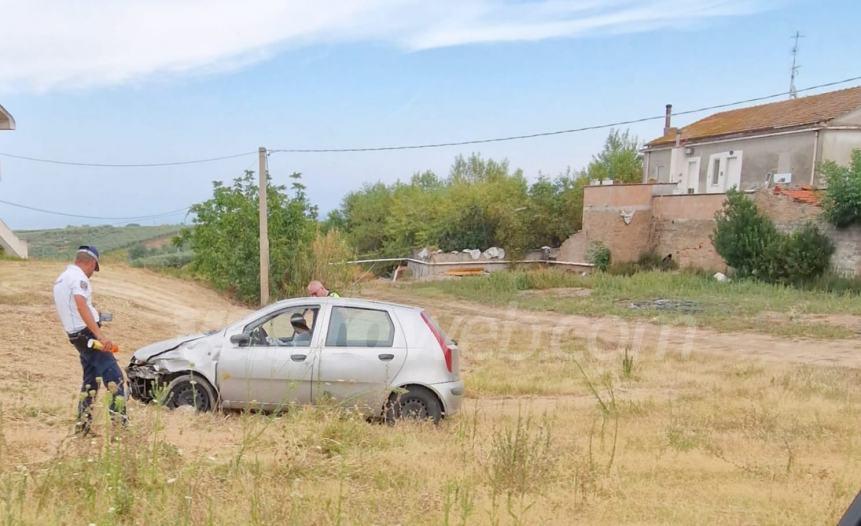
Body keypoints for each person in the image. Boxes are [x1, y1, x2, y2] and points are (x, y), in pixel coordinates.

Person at [53, 246, 127, 435]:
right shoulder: (79, 278)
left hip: (77, 336)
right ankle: (120, 429)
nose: (93, 273)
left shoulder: (62, 278)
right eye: (94, 268)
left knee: (90, 382)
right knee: (114, 379)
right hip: (88, 335)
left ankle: (83, 427)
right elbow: (79, 303)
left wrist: (96, 315)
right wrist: (100, 335)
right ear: (92, 263)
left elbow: (77, 306)